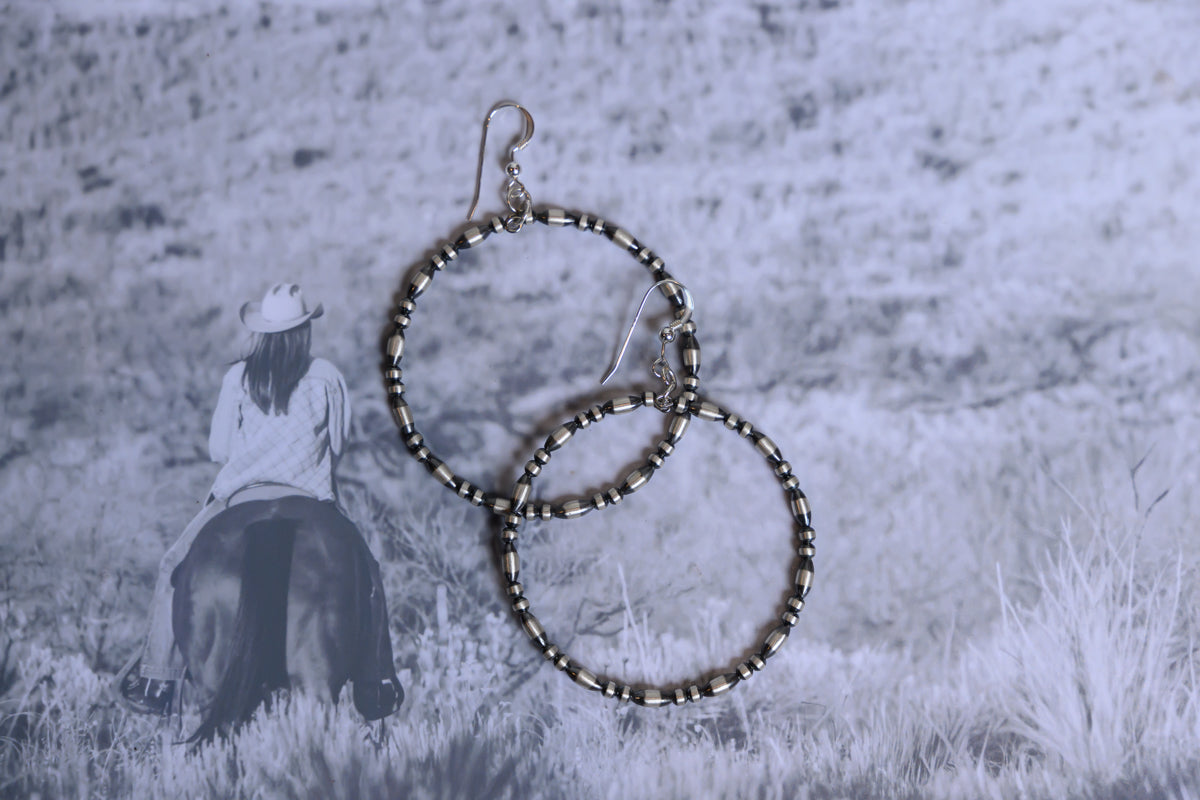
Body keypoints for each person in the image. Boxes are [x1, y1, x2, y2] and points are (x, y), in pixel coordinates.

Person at [115, 283, 359, 715]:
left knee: (173, 563)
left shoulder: (239, 376)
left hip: (240, 495)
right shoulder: (328, 377)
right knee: (367, 573)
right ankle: (377, 678)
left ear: (262, 330)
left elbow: (220, 450)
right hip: (311, 495)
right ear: (305, 330)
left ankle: (156, 677)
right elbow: (338, 443)